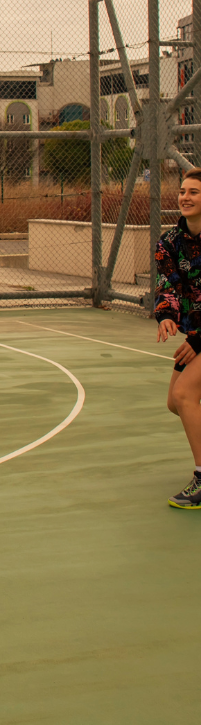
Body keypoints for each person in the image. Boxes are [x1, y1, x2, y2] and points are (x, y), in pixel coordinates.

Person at [155, 167, 201, 509]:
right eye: (183, 191)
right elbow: (168, 285)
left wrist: (197, 341)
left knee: (186, 394)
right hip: (196, 334)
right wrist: (168, 315)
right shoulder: (169, 242)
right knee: (175, 403)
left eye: (194, 192)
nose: (185, 197)